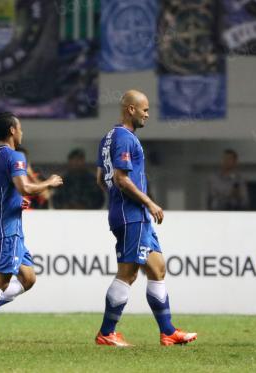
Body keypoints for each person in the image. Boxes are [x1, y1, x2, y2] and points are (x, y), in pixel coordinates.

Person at [94, 90, 197, 347]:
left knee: (157, 267)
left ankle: (168, 332)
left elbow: (101, 179)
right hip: (132, 215)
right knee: (127, 274)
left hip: (129, 213)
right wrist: (148, 202)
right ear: (131, 109)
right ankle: (107, 333)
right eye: (145, 110)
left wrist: (119, 201)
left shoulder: (108, 138)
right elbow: (120, 178)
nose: (147, 115)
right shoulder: (125, 138)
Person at [0, 112, 63, 345]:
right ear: (12, 130)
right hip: (6, 229)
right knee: (1, 282)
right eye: (20, 128)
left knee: (28, 278)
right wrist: (50, 182)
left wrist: (14, 201)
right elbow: (25, 186)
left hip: (5, 227)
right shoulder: (15, 156)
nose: (22, 132)